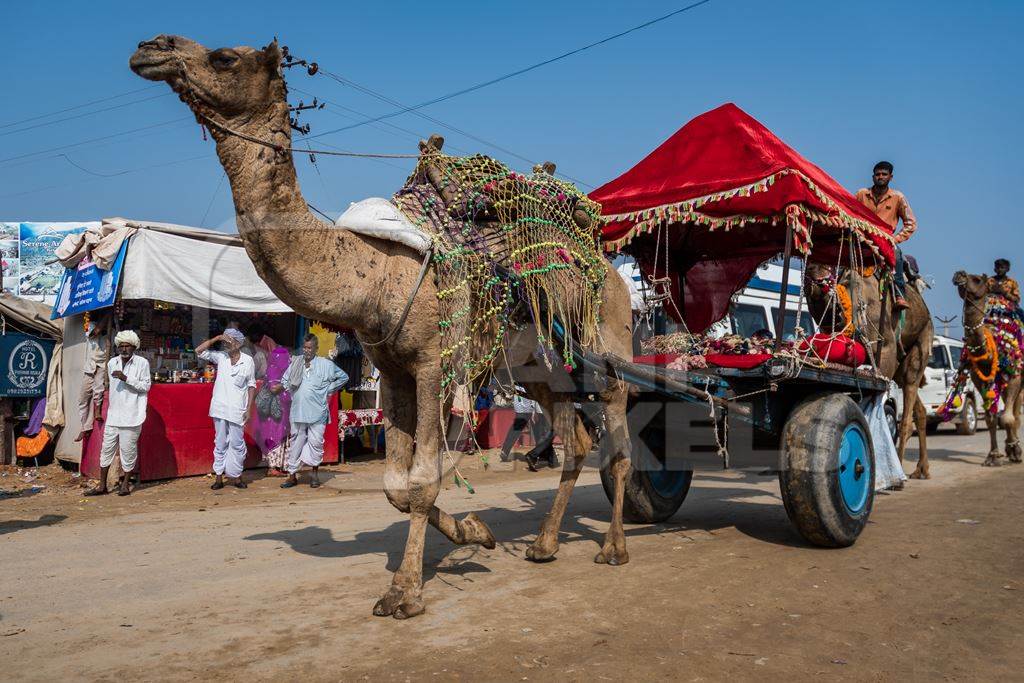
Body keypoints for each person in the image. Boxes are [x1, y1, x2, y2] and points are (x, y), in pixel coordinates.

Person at [84, 330, 151, 497]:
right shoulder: (112, 362)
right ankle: (102, 486)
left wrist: (126, 378)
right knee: (106, 450)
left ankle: (125, 485)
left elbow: (146, 386)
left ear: (134, 346)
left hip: (132, 415)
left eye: (127, 346)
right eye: (121, 346)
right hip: (114, 415)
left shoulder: (142, 363)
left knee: (128, 452)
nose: (124, 349)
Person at [281, 334, 347, 489]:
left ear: (316, 348)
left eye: (310, 347)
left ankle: (314, 474)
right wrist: (290, 390)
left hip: (318, 412)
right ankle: (292, 476)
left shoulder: (326, 364)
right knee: (296, 442)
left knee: (316, 443)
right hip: (298, 411)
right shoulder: (296, 363)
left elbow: (343, 377)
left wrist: (329, 389)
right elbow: (284, 381)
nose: (306, 350)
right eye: (304, 347)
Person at [197, 328, 256, 490]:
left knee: (237, 443)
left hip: (238, 409)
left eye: (229, 341)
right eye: (225, 342)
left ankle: (237, 477)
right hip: (220, 408)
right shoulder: (220, 357)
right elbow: (199, 350)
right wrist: (216, 337)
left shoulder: (248, 360)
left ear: (238, 343)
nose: (226, 344)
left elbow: (251, 386)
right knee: (220, 442)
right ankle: (218, 478)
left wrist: (249, 409)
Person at [855, 161, 918, 311]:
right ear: (873, 176)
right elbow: (849, 211)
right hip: (862, 239)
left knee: (896, 256)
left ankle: (899, 294)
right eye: (878, 174)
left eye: (884, 174)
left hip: (886, 241)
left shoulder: (898, 197)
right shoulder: (861, 194)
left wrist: (895, 240)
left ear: (891, 177)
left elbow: (911, 223)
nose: (880, 177)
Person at [253, 346, 292, 476]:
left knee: (280, 437)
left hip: (280, 411)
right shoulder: (274, 371)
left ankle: (279, 466)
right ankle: (273, 467)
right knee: (274, 436)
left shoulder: (281, 370)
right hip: (275, 412)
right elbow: (274, 389)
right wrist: (287, 386)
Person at [74, 314, 110, 442]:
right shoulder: (91, 328)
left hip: (101, 365)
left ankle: (98, 411)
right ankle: (85, 426)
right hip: (89, 366)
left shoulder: (110, 333)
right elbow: (96, 331)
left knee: (98, 389)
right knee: (83, 398)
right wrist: (108, 315)